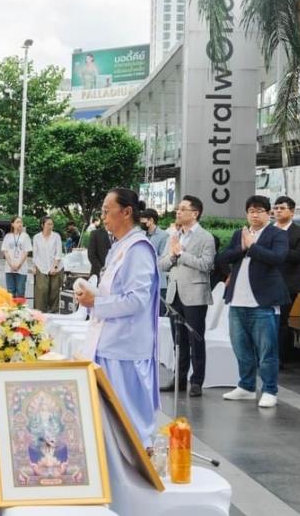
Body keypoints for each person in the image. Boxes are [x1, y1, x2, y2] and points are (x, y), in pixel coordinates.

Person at [75, 188, 159, 446]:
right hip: (109, 341)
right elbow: (115, 291)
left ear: (127, 212)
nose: (103, 217)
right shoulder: (119, 247)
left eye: (107, 211)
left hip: (125, 348)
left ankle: (135, 469)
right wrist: (93, 296)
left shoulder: (139, 249)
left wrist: (96, 302)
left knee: (126, 420)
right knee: (106, 422)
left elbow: (136, 300)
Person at [216, 195, 290, 408]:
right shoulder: (240, 233)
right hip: (237, 300)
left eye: (259, 211)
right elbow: (223, 258)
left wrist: (252, 247)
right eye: (251, 211)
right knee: (241, 347)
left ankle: (269, 389)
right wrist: (243, 247)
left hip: (263, 303)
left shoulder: (277, 234)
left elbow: (278, 258)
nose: (254, 215)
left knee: (267, 351)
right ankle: (246, 386)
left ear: (268, 213)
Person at [158, 195, 216, 397]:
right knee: (178, 339)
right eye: (178, 209)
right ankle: (179, 379)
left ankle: (197, 381)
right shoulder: (174, 236)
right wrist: (173, 255)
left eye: (183, 209)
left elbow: (207, 265)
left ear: (195, 213)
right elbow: (162, 264)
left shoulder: (205, 237)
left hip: (195, 294)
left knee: (196, 339)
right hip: (174, 293)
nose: (178, 212)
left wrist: (182, 254)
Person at [273, 196, 300, 367]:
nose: (278, 211)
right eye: (276, 208)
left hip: (287, 285)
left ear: (292, 211)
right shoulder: (267, 229)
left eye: (282, 208)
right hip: (264, 283)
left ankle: (279, 358)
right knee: (263, 321)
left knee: (281, 322)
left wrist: (279, 248)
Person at [32, 216, 63, 313]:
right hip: (41, 267)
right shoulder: (36, 237)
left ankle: (54, 312)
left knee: (54, 291)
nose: (51, 226)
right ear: (42, 225)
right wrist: (35, 267)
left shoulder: (56, 236)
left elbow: (58, 253)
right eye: (48, 224)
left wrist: (54, 267)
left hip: (56, 266)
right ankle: (40, 313)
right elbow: (35, 254)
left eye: (52, 224)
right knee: (42, 290)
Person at [140, 208, 169, 308]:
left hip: (158, 283)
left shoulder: (164, 236)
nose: (141, 223)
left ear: (151, 221)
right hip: (142, 283)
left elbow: (164, 258)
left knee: (158, 314)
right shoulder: (141, 234)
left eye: (143, 221)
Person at [1, 216, 32, 299]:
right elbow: (5, 251)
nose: (20, 224)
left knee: (20, 291)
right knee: (10, 292)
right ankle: (11, 310)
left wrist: (19, 264)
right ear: (12, 224)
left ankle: (20, 311)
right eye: (17, 222)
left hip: (21, 268)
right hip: (9, 268)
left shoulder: (25, 236)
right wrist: (11, 264)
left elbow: (26, 252)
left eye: (21, 222)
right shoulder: (8, 236)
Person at [87, 212, 111, 279]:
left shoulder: (122, 235)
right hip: (97, 274)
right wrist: (102, 268)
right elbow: (91, 255)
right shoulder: (95, 234)